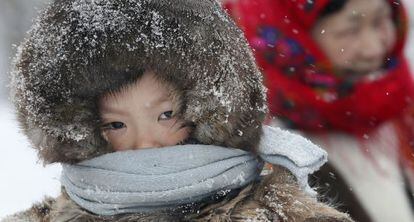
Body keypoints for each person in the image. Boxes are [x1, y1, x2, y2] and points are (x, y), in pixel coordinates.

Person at [3, 0, 353, 221]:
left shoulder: (284, 214)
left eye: (166, 115)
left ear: (211, 110)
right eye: (116, 123)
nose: (146, 142)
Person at [224, 0, 414, 221]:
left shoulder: (400, 109)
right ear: (293, 40)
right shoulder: (258, 161)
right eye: (348, 31)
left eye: (381, 20)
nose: (373, 49)